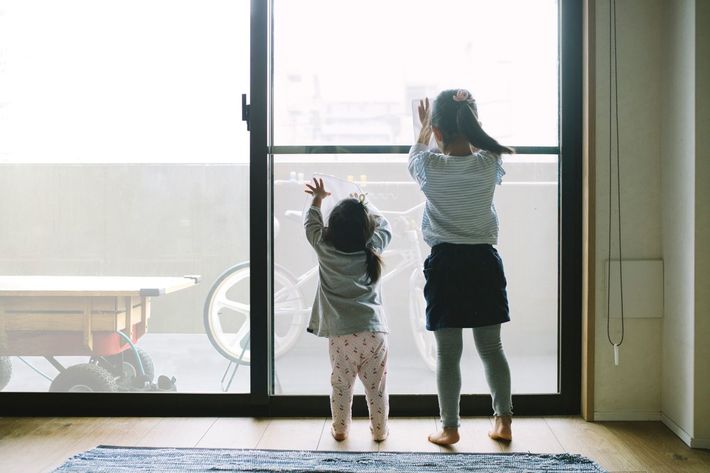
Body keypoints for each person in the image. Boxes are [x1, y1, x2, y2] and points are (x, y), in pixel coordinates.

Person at [409, 89, 515, 445]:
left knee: (448, 354)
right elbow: (487, 147)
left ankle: (450, 427)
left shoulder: (429, 167)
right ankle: (503, 422)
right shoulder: (488, 164)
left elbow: (416, 153)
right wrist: (468, 118)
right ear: (473, 125)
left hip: (446, 266)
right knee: (492, 349)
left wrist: (423, 129)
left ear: (437, 132)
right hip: (483, 263)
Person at [304, 177, 392, 442]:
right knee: (376, 388)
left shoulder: (325, 249)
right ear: (366, 230)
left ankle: (340, 430)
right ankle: (380, 432)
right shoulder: (371, 249)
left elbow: (311, 226)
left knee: (341, 385)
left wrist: (317, 199)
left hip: (341, 335)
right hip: (374, 332)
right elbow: (386, 226)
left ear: (331, 229)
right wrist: (366, 204)